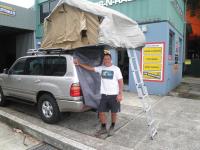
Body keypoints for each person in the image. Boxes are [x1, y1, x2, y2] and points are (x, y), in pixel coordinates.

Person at [74, 52, 124, 137]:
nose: (106, 60)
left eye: (108, 59)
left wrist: (120, 94)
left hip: (114, 95)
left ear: (111, 60)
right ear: (103, 60)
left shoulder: (116, 69)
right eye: (105, 59)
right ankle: (103, 127)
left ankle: (112, 126)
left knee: (114, 113)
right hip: (104, 95)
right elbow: (90, 68)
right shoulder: (101, 68)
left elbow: (120, 82)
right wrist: (79, 64)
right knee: (101, 112)